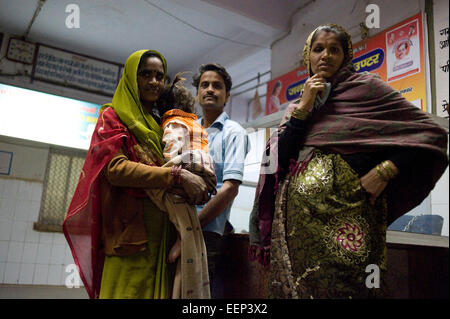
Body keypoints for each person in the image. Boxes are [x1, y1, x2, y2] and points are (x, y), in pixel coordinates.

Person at [249, 24, 448, 299]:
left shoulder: (367, 90)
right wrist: (305, 108)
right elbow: (280, 159)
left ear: (346, 56)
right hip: (297, 232)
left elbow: (429, 134)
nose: (326, 56)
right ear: (308, 55)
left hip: (348, 225)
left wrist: (385, 170)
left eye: (335, 49)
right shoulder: (297, 107)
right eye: (318, 49)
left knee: (348, 289)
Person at [63, 50, 213, 299]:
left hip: (163, 233)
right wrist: (176, 176)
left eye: (159, 76)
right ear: (132, 77)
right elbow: (115, 170)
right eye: (146, 74)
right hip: (128, 235)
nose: (154, 81)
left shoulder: (161, 125)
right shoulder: (112, 118)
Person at [142, 73, 216, 298]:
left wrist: (169, 171)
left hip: (184, 175)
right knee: (189, 227)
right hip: (200, 175)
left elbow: (174, 150)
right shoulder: (195, 123)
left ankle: (178, 244)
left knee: (152, 187)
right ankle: (180, 242)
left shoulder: (173, 122)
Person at [192, 63, 250, 298]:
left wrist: (194, 223)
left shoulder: (233, 132)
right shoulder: (188, 130)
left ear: (226, 96)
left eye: (217, 86)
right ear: (197, 93)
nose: (210, 89)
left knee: (196, 294)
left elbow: (229, 189)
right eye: (204, 85)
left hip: (207, 230)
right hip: (176, 224)